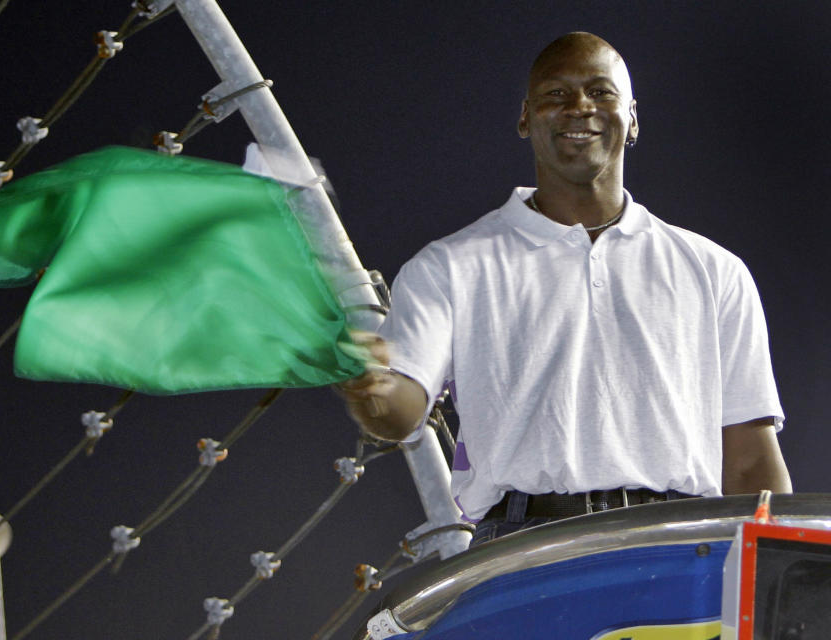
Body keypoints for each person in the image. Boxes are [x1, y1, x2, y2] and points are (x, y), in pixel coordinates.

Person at [337, 32, 792, 546]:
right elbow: (403, 410)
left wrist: (777, 579)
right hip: (523, 547)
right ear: (526, 117)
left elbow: (751, 459)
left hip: (682, 546)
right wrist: (372, 389)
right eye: (556, 94)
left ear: (633, 117)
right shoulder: (450, 266)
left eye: (601, 92)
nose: (580, 107)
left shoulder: (715, 271)